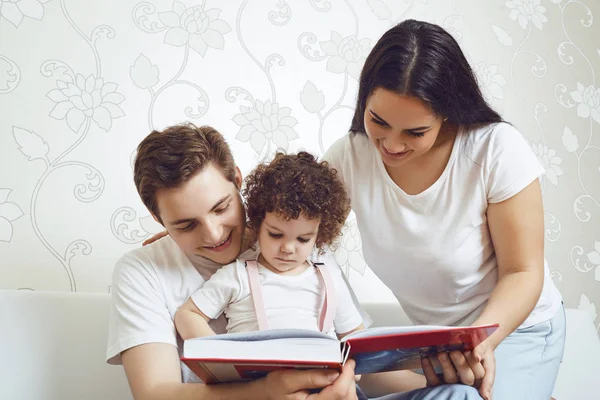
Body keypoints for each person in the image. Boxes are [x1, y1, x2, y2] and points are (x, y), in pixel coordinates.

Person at [106, 123, 481, 400]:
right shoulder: (142, 272)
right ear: (159, 221)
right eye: (185, 225)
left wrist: (437, 379)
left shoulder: (296, 240)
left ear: (237, 181)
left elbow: (355, 357)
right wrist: (266, 391)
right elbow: (156, 394)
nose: (214, 234)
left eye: (221, 208)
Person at [322, 19, 566, 400]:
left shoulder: (494, 150)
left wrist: (477, 344)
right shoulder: (350, 156)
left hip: (515, 330)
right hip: (438, 348)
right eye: (378, 122)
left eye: (414, 132)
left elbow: (523, 272)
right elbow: (298, 225)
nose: (391, 144)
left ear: (448, 114)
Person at [174, 151, 365, 341]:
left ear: (320, 234)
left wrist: (351, 371)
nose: (288, 248)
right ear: (257, 224)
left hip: (325, 369)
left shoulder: (329, 277)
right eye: (275, 234)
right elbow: (187, 315)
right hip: (257, 371)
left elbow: (356, 337)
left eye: (303, 239)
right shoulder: (238, 276)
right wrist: (224, 360)